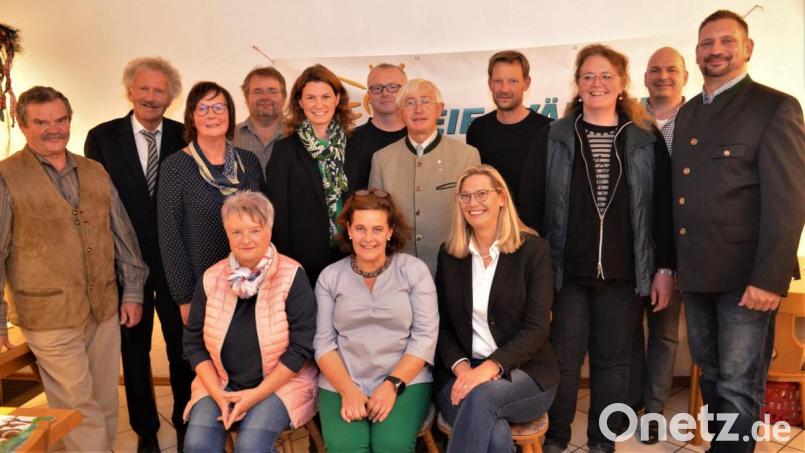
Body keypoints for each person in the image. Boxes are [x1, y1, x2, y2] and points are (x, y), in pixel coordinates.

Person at [530, 44, 675, 453]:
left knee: (614, 365)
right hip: (566, 274)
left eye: (606, 76)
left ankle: (601, 443)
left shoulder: (645, 140)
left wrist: (664, 269)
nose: (597, 84)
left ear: (622, 83)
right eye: (589, 76)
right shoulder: (555, 136)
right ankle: (556, 438)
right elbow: (531, 205)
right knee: (563, 361)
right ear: (577, 82)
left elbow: (662, 210)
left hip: (623, 276)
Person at [672, 10, 805, 452]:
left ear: (748, 48)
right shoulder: (689, 113)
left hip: (746, 280)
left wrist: (770, 278)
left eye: (726, 41)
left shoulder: (775, 106)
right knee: (711, 374)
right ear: (697, 52)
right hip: (697, 277)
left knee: (736, 383)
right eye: (707, 43)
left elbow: (789, 200)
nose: (716, 51)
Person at [0, 86, 149, 451]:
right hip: (47, 313)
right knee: (77, 403)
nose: (53, 129)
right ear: (23, 126)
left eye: (60, 120)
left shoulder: (94, 170)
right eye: (41, 122)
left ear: (69, 120)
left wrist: (132, 292)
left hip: (102, 309)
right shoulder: (6, 176)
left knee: (104, 401)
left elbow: (124, 236)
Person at [84, 56, 193, 452]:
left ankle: (185, 422)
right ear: (130, 90)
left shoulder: (186, 136)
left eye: (159, 91)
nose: (151, 97)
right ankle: (145, 429)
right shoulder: (102, 137)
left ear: (171, 98)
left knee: (184, 346)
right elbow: (97, 203)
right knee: (134, 350)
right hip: (123, 264)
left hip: (175, 262)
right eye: (144, 88)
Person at [435, 164, 558, 453]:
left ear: (501, 197)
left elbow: (536, 328)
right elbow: (440, 326)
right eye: (465, 196)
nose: (472, 203)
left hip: (523, 373)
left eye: (481, 194)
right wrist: (464, 369)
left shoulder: (533, 251)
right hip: (460, 371)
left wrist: (487, 370)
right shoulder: (450, 254)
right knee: (495, 435)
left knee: (482, 399)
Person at [183, 191, 318, 453]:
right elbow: (192, 343)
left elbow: (302, 348)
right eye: (236, 232)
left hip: (281, 384)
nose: (246, 240)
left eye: (254, 230)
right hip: (221, 382)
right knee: (197, 444)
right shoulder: (211, 278)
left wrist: (255, 396)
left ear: (269, 229)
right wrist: (218, 394)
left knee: (250, 447)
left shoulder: (292, 275)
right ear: (226, 233)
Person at [314, 189, 438, 453]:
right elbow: (323, 343)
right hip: (342, 379)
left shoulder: (414, 271)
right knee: (345, 447)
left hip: (405, 378)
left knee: (391, 446)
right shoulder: (330, 277)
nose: (368, 238)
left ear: (390, 231)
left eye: (377, 229)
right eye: (360, 228)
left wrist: (392, 384)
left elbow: (425, 337)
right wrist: (347, 389)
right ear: (348, 229)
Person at [158, 81, 265, 326]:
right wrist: (184, 297)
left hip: (253, 281)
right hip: (203, 286)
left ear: (229, 113)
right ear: (191, 117)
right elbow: (170, 236)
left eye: (218, 107)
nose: (212, 115)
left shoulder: (248, 162)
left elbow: (265, 224)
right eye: (203, 109)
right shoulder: (175, 167)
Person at [624, 46, 688, 444]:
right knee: (627, 329)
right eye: (654, 70)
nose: (662, 76)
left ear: (684, 76)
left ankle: (655, 409)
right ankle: (629, 404)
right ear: (644, 78)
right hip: (628, 246)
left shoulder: (700, 118)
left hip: (677, 245)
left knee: (664, 332)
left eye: (671, 70)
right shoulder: (629, 119)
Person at [369, 79, 481, 274]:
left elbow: (477, 219)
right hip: (398, 271)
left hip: (453, 269)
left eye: (426, 101)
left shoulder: (467, 156)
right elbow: (375, 220)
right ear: (400, 111)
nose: (418, 110)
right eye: (410, 103)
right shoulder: (382, 159)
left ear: (439, 109)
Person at [265, 64, 356, 286]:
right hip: (304, 264)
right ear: (300, 102)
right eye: (311, 97)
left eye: (326, 96)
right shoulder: (284, 151)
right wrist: (286, 268)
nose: (319, 105)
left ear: (337, 99)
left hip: (351, 258)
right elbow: (278, 218)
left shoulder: (354, 145)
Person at [466, 50, 551, 210]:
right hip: (489, 229)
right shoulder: (478, 129)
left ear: (526, 83)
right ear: (490, 83)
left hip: (535, 231)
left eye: (513, 81)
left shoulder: (547, 131)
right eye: (498, 81)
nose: (504, 89)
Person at [344, 63, 408, 192]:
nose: (385, 93)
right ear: (369, 94)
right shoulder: (350, 141)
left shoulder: (418, 138)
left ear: (406, 91)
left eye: (393, 87)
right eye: (377, 88)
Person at [233, 66, 287, 169]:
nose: (265, 97)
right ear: (246, 97)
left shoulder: (300, 135)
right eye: (257, 91)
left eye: (272, 91)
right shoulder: (230, 137)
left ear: (284, 97)